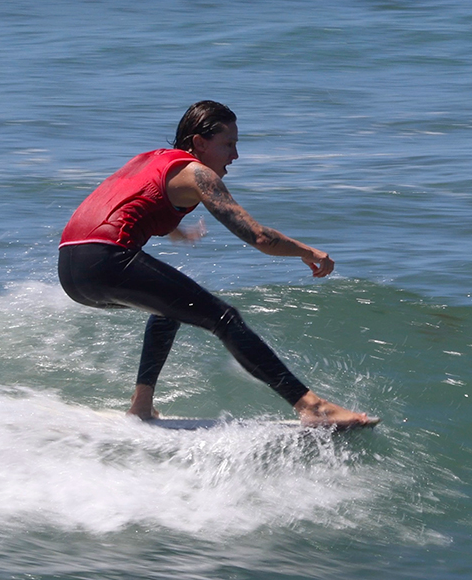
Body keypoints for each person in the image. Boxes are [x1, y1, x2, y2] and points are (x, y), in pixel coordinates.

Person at [58, 101, 373, 428]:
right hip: (107, 259)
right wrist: (307, 251)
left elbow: (127, 201)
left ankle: (142, 405)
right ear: (199, 143)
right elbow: (259, 237)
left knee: (170, 308)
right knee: (224, 318)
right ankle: (313, 407)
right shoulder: (197, 174)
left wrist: (176, 231)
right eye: (229, 144)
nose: (235, 156)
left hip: (72, 270)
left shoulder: (152, 160)